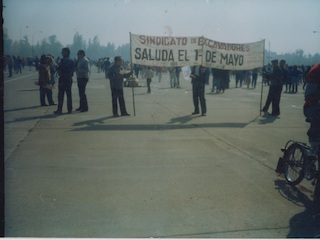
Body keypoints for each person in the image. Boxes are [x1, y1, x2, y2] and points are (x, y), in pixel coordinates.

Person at [304, 63, 320, 157]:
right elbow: (309, 96)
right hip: (312, 107)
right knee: (318, 116)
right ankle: (313, 148)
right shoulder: (316, 72)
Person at [54, 48, 75, 114]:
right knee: (69, 95)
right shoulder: (71, 60)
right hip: (69, 79)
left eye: (63, 52)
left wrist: (56, 66)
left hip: (63, 79)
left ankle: (60, 109)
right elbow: (73, 69)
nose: (62, 53)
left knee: (61, 95)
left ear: (66, 52)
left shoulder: (62, 60)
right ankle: (69, 109)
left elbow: (59, 69)